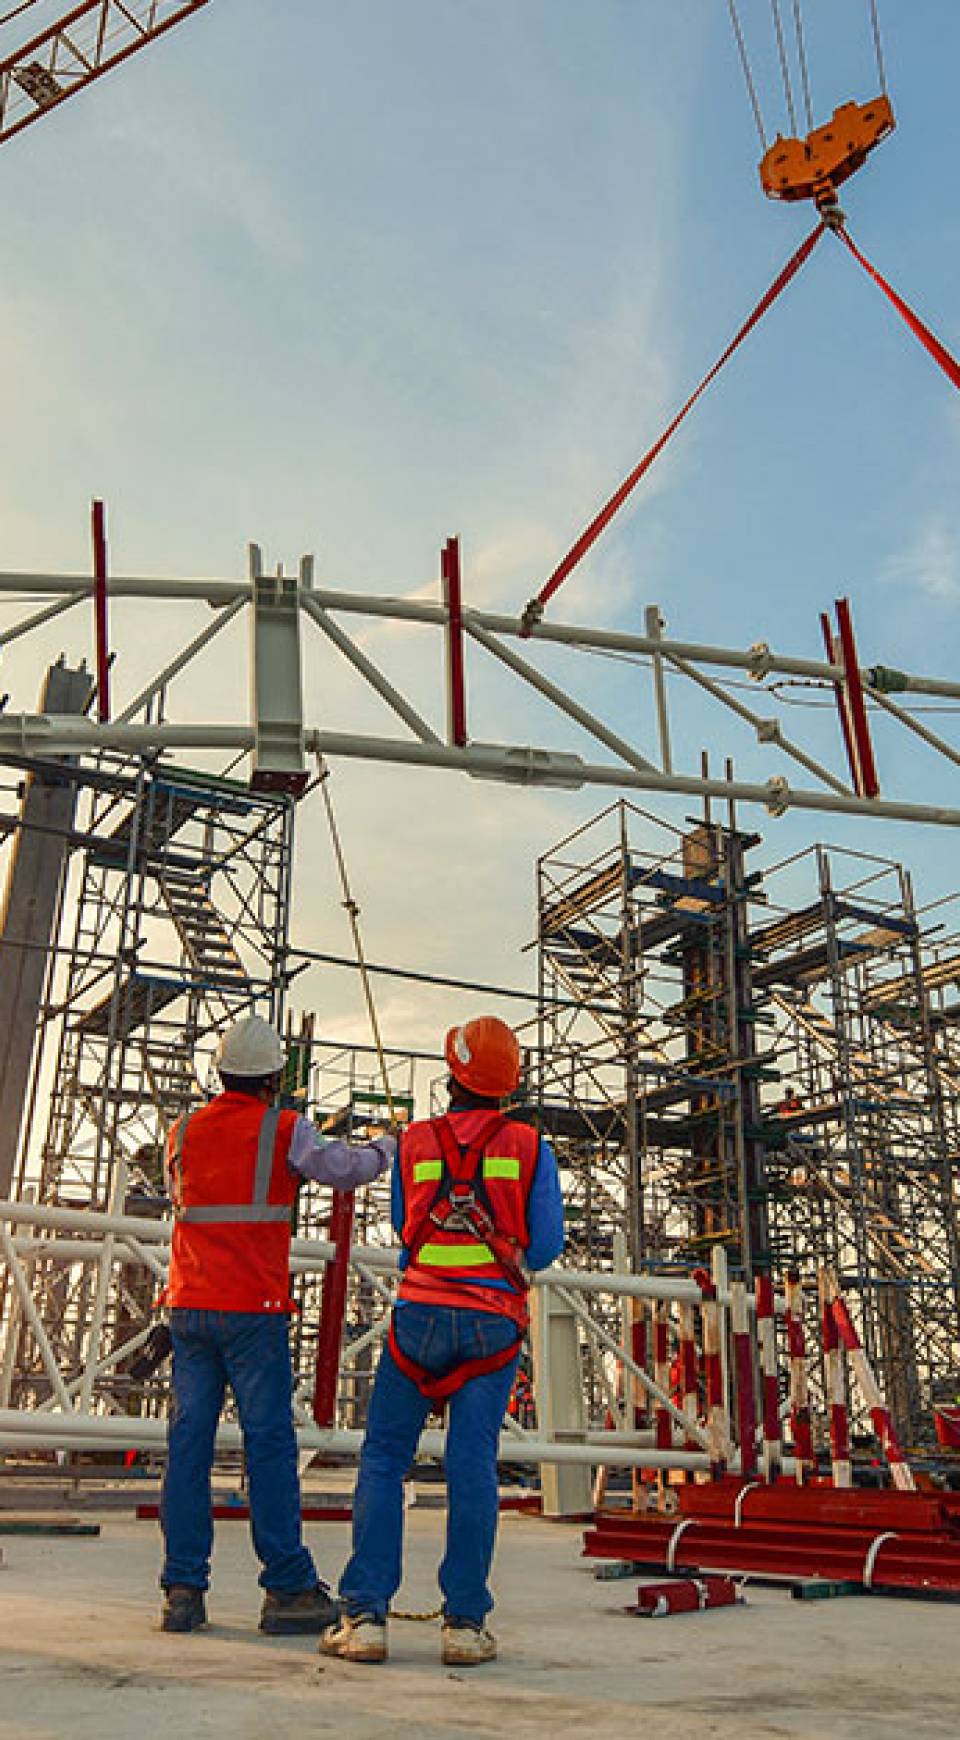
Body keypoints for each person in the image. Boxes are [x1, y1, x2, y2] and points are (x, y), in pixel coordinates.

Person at [321, 1014, 564, 1667]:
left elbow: (406, 1227)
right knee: (471, 1466)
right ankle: (463, 1625)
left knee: (382, 1460)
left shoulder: (416, 1141)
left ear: (452, 1073)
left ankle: (365, 1617)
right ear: (508, 1081)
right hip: (491, 1326)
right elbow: (544, 1247)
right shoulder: (531, 1146)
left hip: (418, 1320)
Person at [158, 1014, 393, 1635]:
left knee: (187, 1446)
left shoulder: (181, 1131)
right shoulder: (282, 1128)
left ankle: (182, 1589)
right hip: (251, 1311)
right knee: (268, 1445)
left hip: (187, 1308)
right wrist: (388, 1148)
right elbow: (344, 1170)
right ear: (276, 1076)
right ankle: (287, 1586)